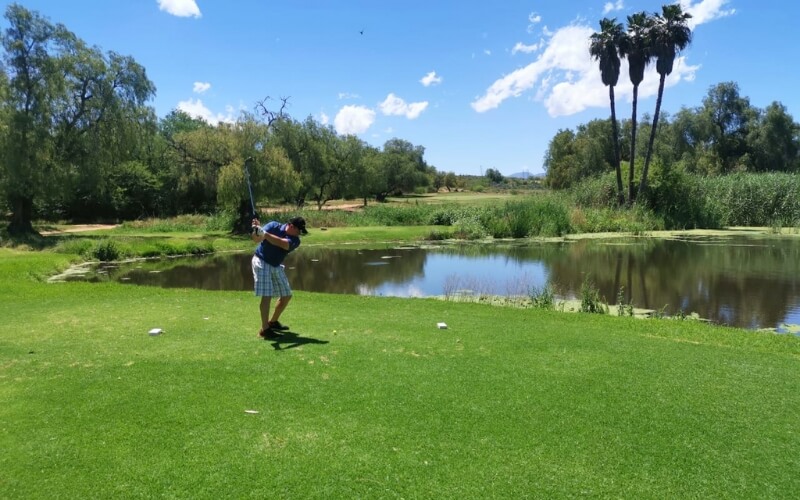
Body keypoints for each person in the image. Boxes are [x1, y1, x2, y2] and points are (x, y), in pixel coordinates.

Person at [251, 216, 307, 339]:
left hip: (275, 265)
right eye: (298, 231)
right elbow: (256, 239)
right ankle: (265, 330)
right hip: (261, 261)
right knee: (267, 295)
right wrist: (256, 230)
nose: (299, 234)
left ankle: (273, 322)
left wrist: (265, 234)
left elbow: (283, 244)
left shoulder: (295, 240)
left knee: (287, 295)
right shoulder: (273, 226)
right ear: (291, 226)